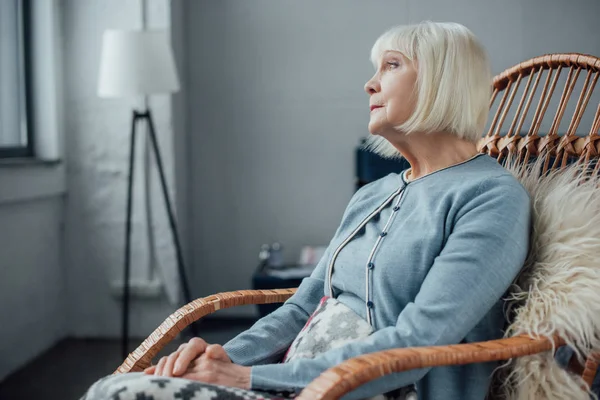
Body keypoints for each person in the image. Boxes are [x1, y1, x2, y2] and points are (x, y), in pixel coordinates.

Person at [81, 21, 531, 400]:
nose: (369, 83)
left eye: (391, 66)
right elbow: (301, 309)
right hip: (291, 384)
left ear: (442, 81)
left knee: (117, 394)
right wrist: (220, 360)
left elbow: (418, 342)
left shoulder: (491, 198)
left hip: (379, 391)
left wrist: (249, 378)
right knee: (118, 388)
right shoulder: (372, 194)